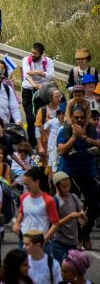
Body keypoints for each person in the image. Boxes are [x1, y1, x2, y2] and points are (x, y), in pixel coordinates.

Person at [56, 104, 100, 249]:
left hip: (88, 172)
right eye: (76, 118)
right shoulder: (66, 130)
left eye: (82, 117)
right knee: (72, 207)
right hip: (70, 174)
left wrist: (85, 138)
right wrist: (74, 137)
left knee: (94, 205)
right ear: (71, 118)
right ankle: (78, 237)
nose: (79, 120)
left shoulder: (91, 129)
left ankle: (86, 234)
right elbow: (61, 151)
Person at [50, 171, 84, 264]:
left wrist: (83, 217)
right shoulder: (55, 201)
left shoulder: (74, 197)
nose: (67, 189)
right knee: (62, 269)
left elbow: (82, 214)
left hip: (73, 242)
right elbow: (54, 224)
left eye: (69, 186)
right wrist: (70, 217)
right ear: (56, 186)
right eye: (64, 187)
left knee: (72, 270)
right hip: (59, 242)